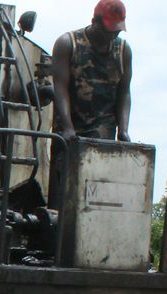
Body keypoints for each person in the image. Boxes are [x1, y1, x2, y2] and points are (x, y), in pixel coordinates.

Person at [48, 0, 133, 209]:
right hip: (70, 133)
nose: (113, 36)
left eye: (117, 31)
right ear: (94, 22)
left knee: (96, 198)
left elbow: (124, 92)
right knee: (64, 197)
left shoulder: (123, 50)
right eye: (108, 30)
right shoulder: (68, 44)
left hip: (103, 136)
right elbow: (60, 87)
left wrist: (123, 130)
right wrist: (67, 127)